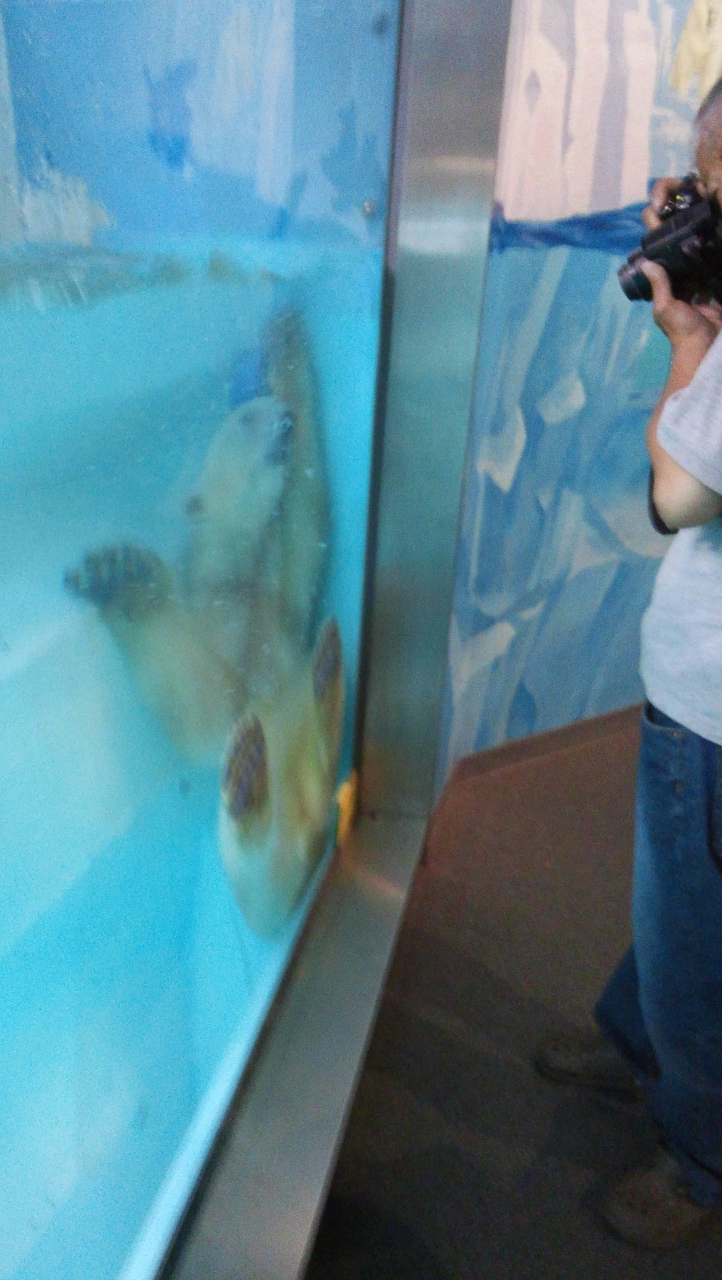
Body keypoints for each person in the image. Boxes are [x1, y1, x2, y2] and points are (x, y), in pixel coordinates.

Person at [534, 81, 722, 1251]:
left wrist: (690, 340)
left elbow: (678, 495)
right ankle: (632, 1032)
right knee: (685, 907)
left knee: (699, 943)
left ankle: (700, 1160)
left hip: (711, 714)